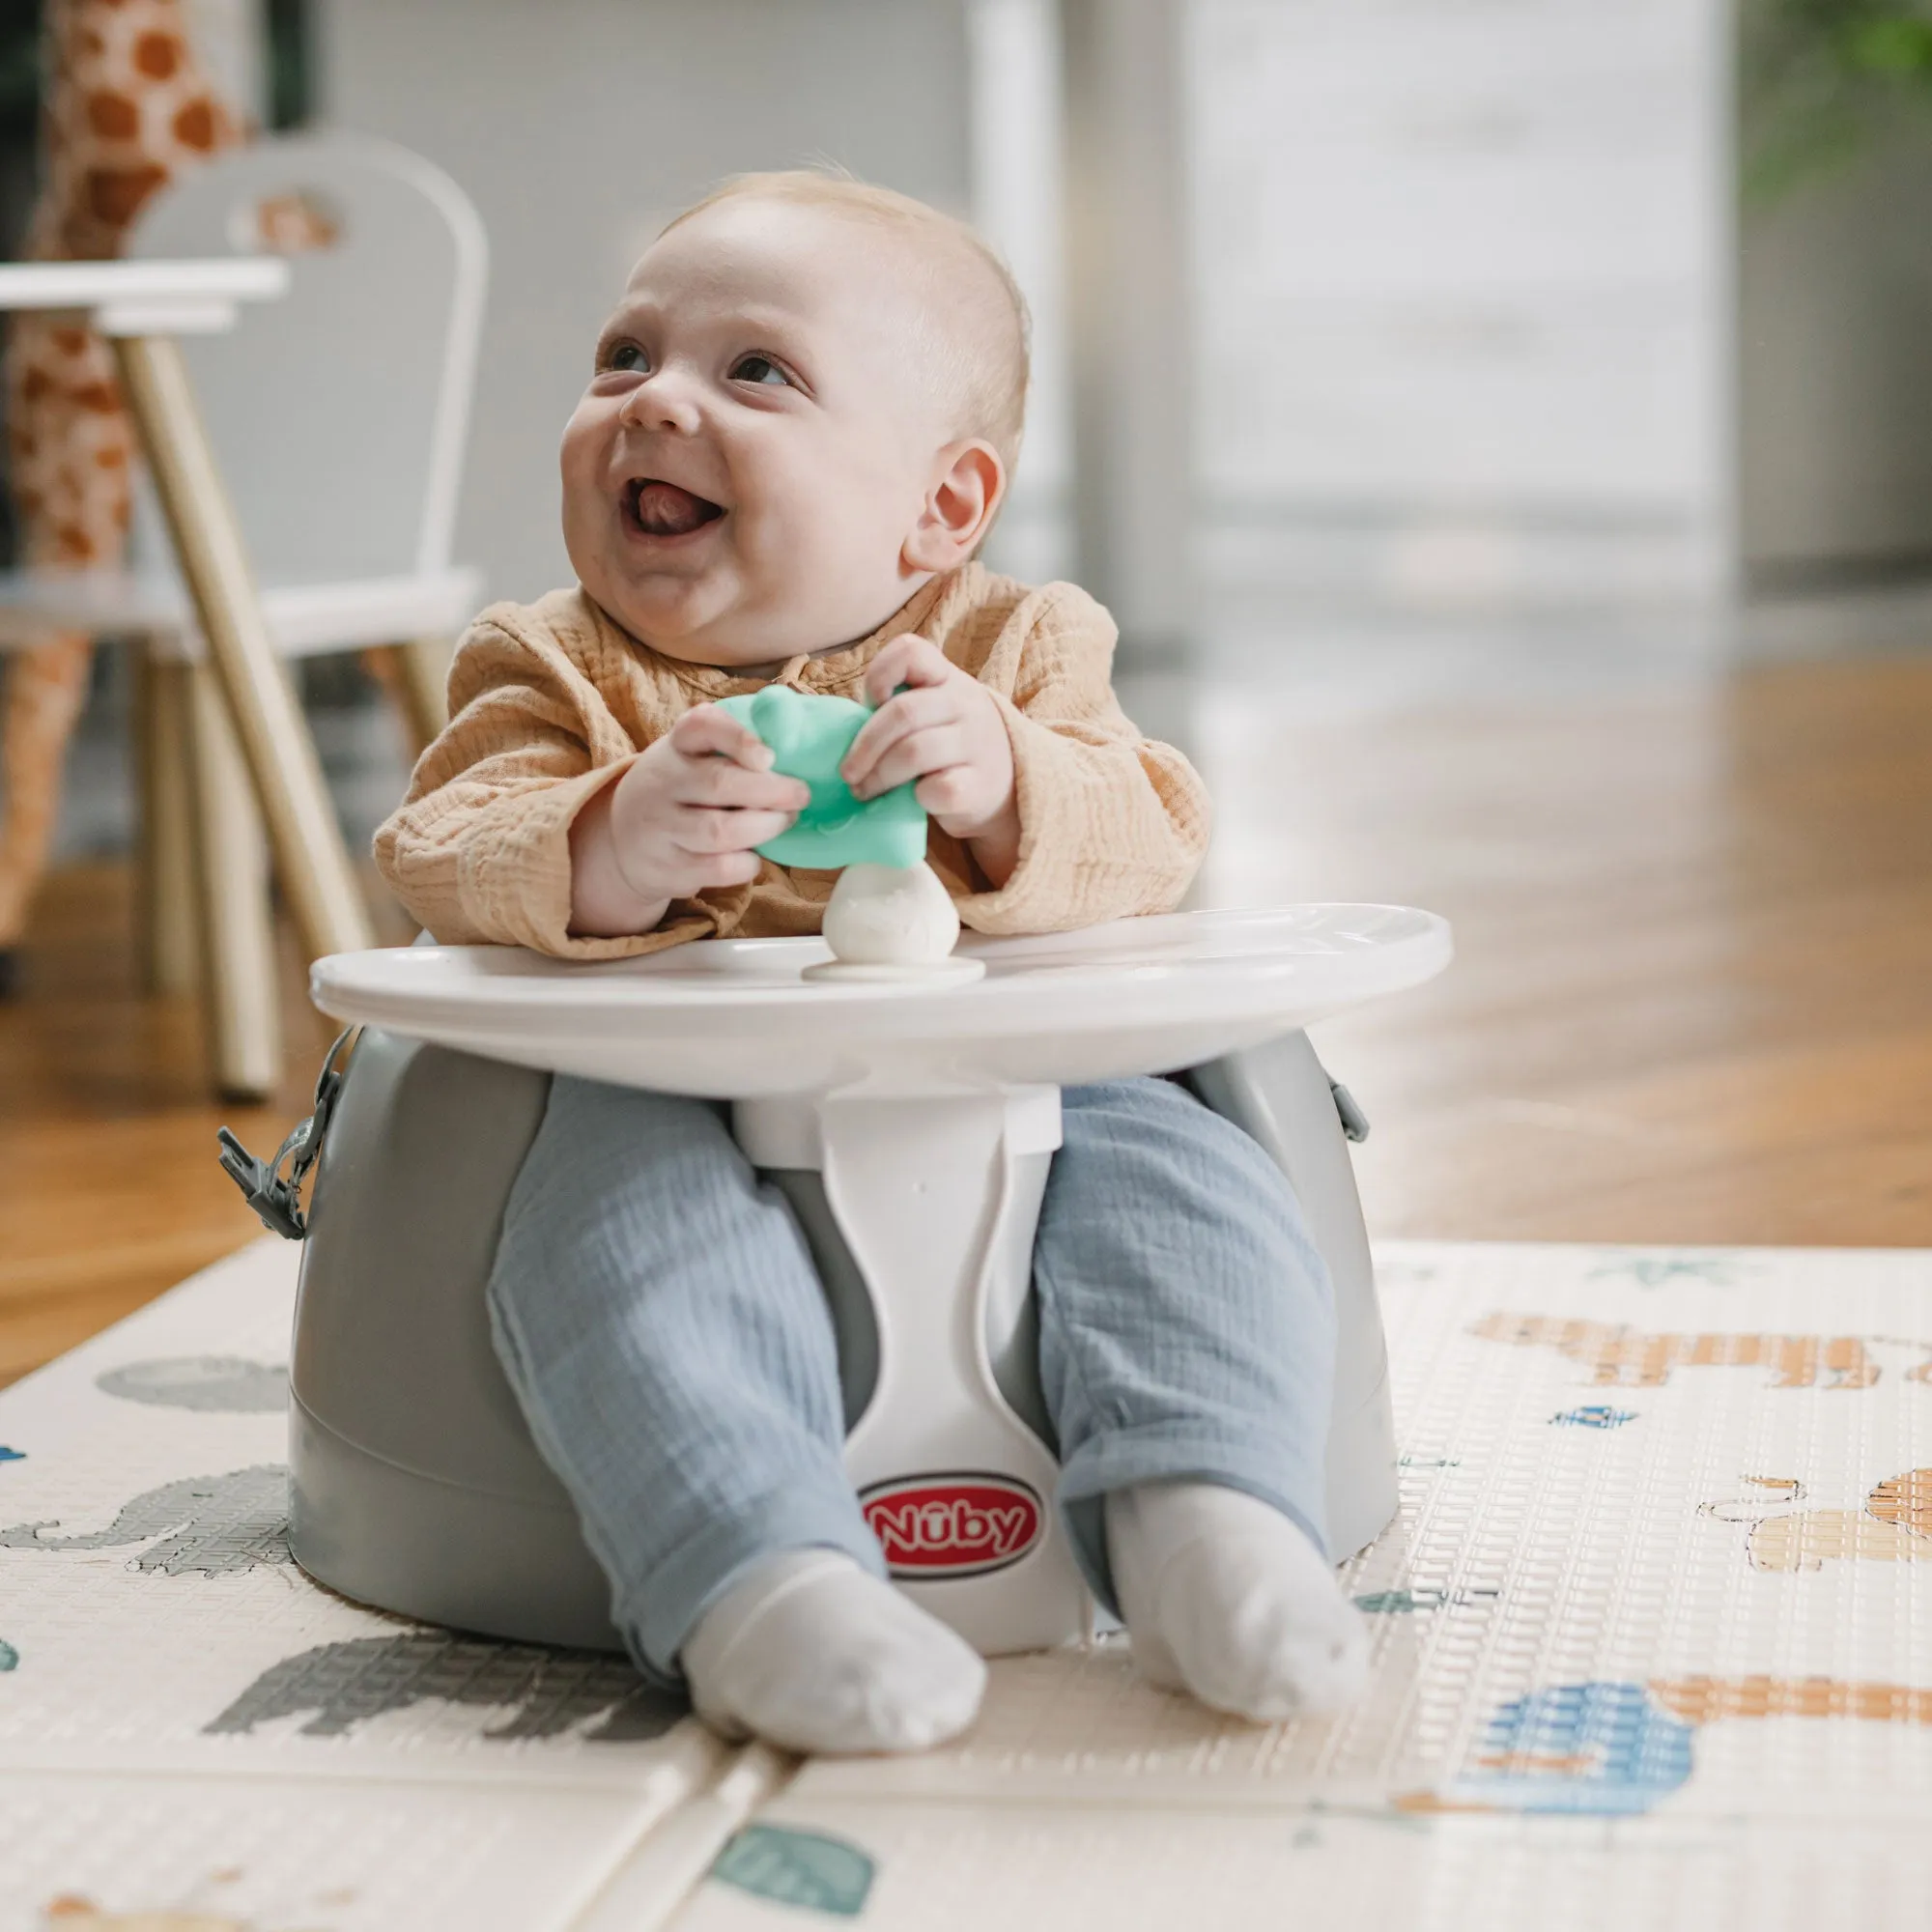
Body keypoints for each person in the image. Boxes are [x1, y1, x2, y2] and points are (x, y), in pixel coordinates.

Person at [376, 171, 1368, 1756]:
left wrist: (1008, 784)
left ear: (942, 507)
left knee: (1188, 1176)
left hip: (1018, 1081)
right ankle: (755, 1577)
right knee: (616, 1238)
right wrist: (610, 839)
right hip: (658, 1097)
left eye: (752, 371)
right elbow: (440, 841)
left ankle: (1209, 1508)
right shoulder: (556, 665)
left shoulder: (1019, 651)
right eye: (625, 358)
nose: (656, 405)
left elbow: (1155, 832)